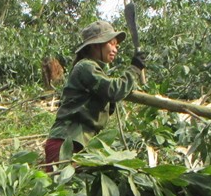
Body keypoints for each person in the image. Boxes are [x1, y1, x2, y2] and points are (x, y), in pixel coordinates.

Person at [42, 19, 146, 171]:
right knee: (62, 190)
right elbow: (113, 90)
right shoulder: (86, 67)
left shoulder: (95, 70)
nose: (115, 49)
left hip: (81, 144)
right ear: (96, 45)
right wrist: (133, 70)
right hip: (66, 143)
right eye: (111, 43)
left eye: (117, 45)